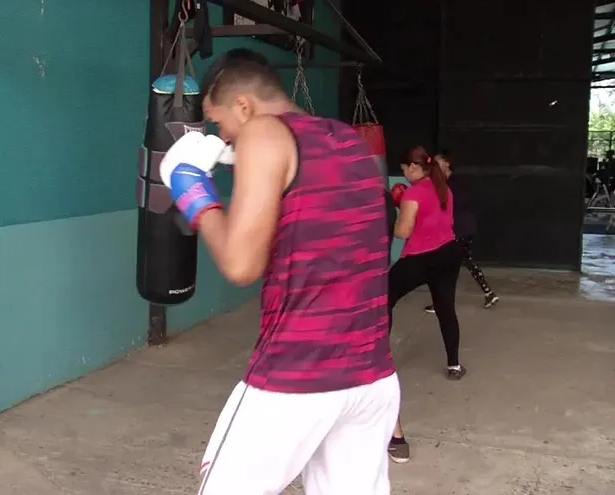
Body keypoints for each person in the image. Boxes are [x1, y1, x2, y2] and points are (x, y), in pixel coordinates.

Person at [158, 48, 399, 494]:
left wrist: (190, 187)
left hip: (297, 377)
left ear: (244, 106)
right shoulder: (348, 140)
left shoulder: (263, 133)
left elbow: (241, 265)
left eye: (218, 123)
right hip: (372, 379)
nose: (222, 137)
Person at [386, 146, 467, 464]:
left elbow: (403, 232)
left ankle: (380, 357)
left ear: (411, 168)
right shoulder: (442, 186)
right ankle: (454, 364)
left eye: (405, 168)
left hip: (420, 258)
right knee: (445, 306)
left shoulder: (413, 193)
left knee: (384, 297)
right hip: (448, 253)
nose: (403, 173)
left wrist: (395, 212)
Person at [423, 150, 498, 313]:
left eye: (437, 163)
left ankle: (441, 303)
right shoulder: (446, 184)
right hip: (462, 229)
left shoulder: (452, 185)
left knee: (444, 267)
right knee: (465, 261)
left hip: (459, 230)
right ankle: (489, 293)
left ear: (447, 164)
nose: (433, 167)